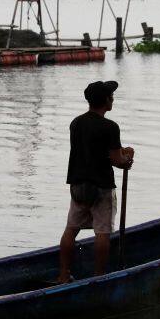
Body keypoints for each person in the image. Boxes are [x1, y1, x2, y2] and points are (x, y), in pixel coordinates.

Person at [57, 80, 135, 282]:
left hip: (78, 186)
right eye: (111, 96)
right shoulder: (110, 127)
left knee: (71, 229)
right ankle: (99, 277)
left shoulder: (76, 123)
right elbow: (117, 160)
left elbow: (92, 150)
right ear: (106, 100)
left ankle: (63, 274)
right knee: (102, 231)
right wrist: (127, 159)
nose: (113, 99)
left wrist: (119, 153)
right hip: (101, 186)